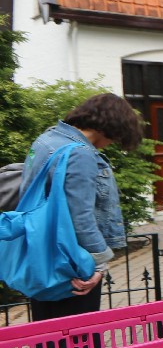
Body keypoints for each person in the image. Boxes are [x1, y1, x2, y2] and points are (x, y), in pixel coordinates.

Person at [17, 93, 144, 324]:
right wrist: (99, 264)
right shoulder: (80, 153)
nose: (114, 143)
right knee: (78, 337)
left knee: (48, 334)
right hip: (72, 261)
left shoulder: (46, 140)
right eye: (118, 137)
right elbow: (80, 217)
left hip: (41, 255)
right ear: (112, 126)